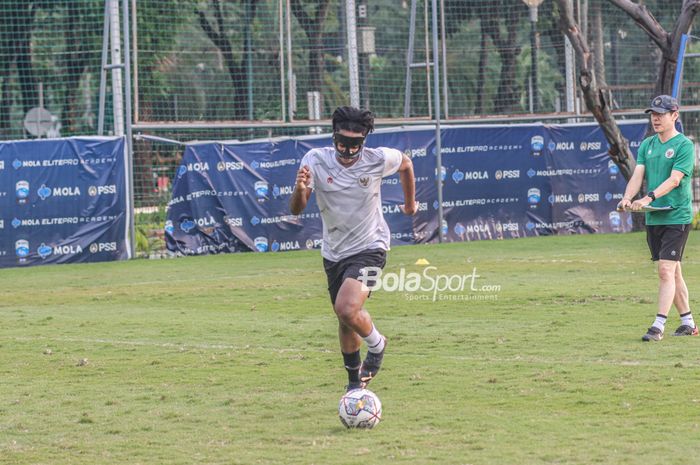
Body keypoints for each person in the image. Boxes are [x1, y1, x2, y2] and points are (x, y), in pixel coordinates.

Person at [290, 106, 417, 390]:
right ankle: (354, 385)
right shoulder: (315, 161)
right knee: (344, 318)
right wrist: (299, 191)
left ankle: (377, 344)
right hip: (334, 252)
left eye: (355, 143)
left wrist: (409, 205)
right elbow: (297, 208)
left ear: (365, 139)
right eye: (342, 141)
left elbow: (406, 164)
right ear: (333, 136)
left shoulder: (377, 159)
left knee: (346, 308)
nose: (348, 149)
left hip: (373, 247)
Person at [617, 95, 697, 341]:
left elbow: (675, 180)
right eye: (653, 114)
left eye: (661, 114)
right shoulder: (647, 145)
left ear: (674, 115)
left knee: (665, 270)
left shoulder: (684, 145)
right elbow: (637, 174)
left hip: (677, 216)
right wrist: (627, 198)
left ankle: (657, 326)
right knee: (673, 273)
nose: (655, 118)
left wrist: (648, 198)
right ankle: (688, 323)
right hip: (654, 218)